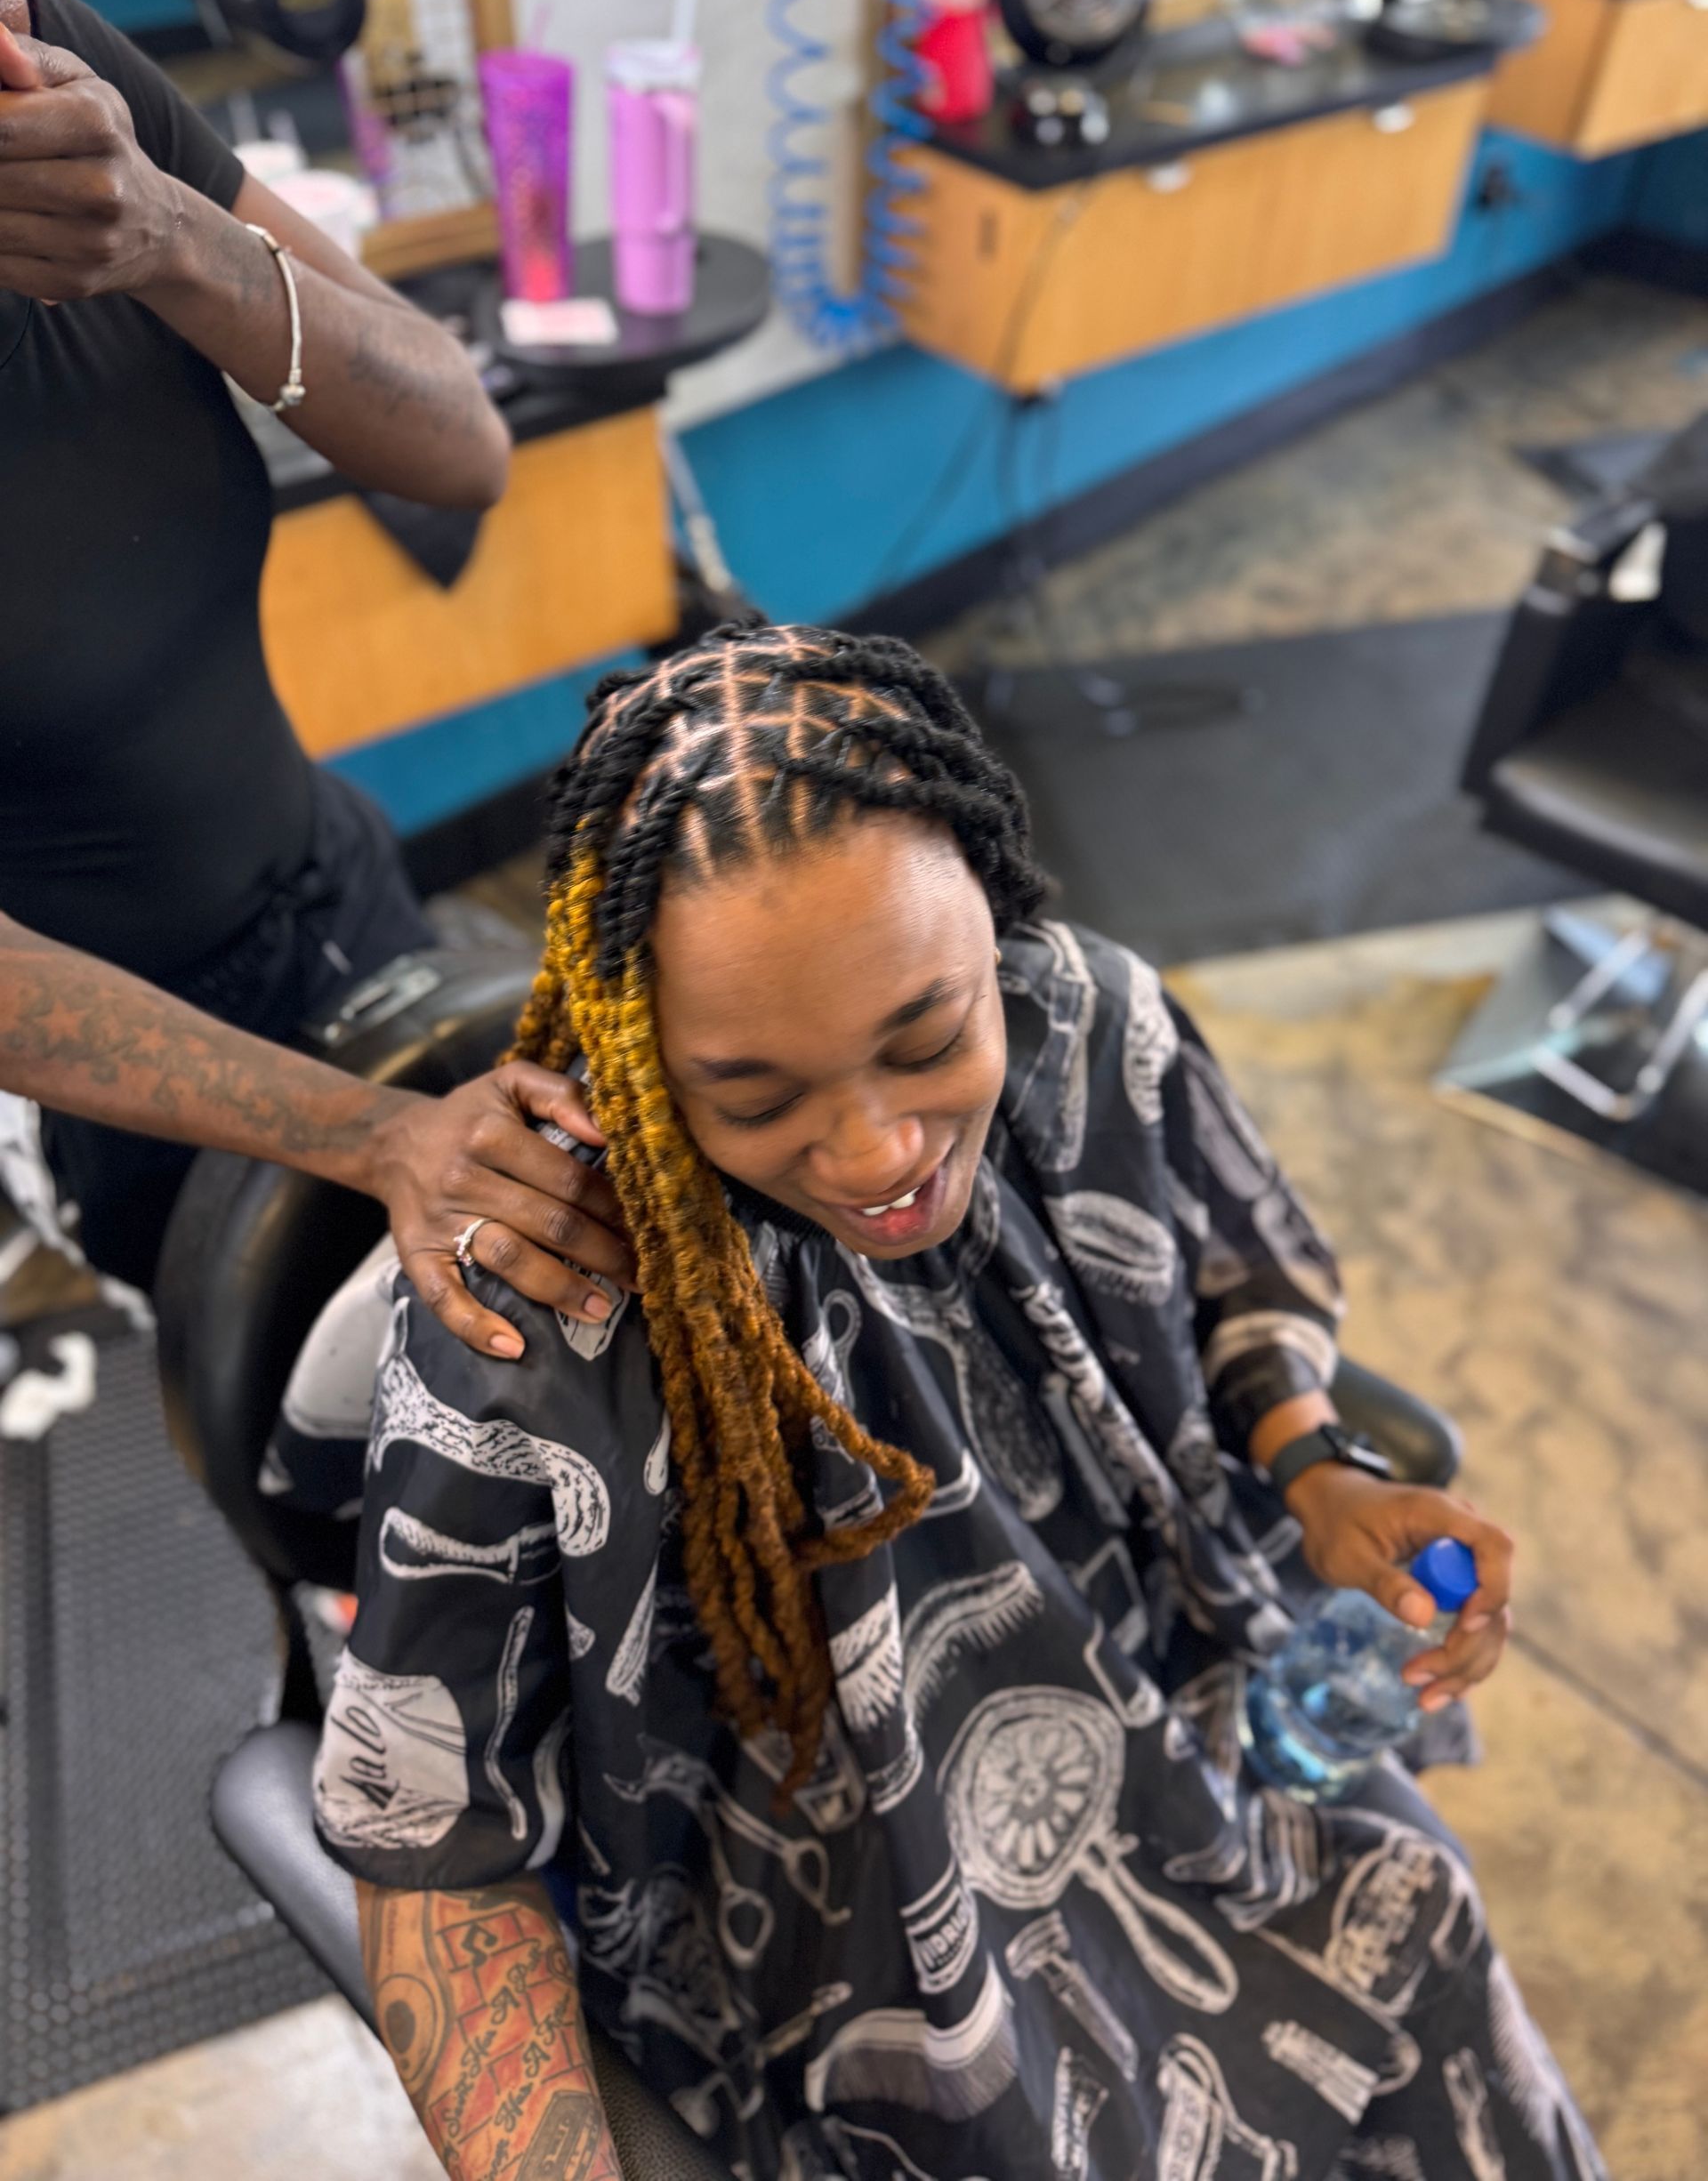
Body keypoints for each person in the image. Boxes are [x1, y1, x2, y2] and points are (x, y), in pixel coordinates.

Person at [280, 625, 1604, 2181]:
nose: (875, 1155)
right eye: (755, 1098)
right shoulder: (541, 1302)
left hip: (1180, 1717)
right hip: (841, 1909)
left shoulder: (1093, 1026)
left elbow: (1234, 1280)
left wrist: (1317, 1472)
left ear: (994, 920)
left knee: (1430, 1979)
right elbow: (440, 1852)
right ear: (641, 1055)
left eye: (930, 1039)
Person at [0, 0, 629, 1340]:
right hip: (123, 1084)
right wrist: (363, 1135)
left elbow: (459, 441)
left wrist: (172, 237)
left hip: (337, 891)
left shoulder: (66, 76)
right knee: (324, 1464)